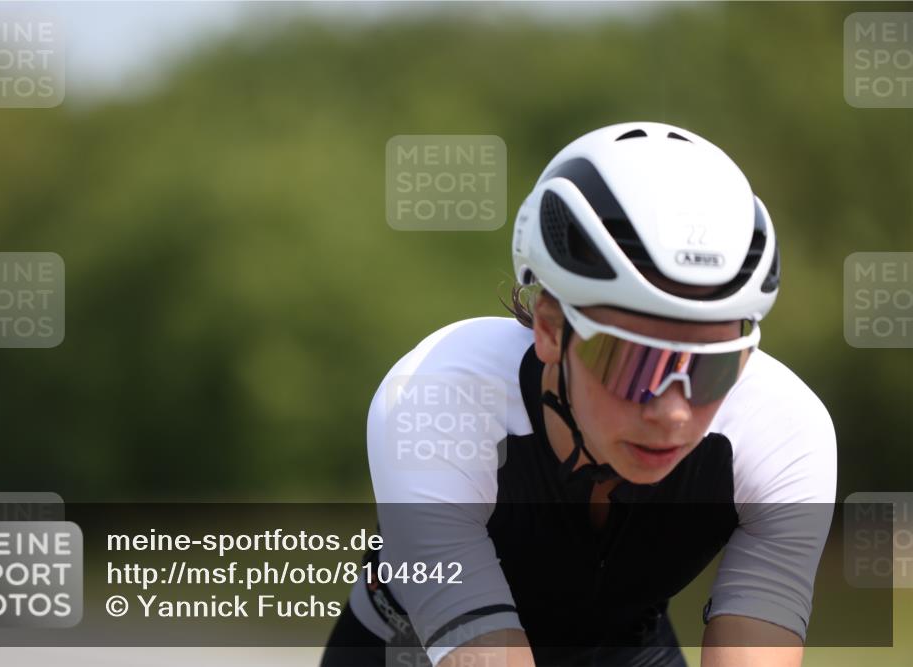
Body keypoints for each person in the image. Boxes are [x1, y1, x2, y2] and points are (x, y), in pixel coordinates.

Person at [320, 122, 836, 667]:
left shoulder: (783, 430)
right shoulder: (436, 399)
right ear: (550, 329)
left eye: (713, 367)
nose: (672, 412)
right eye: (632, 363)